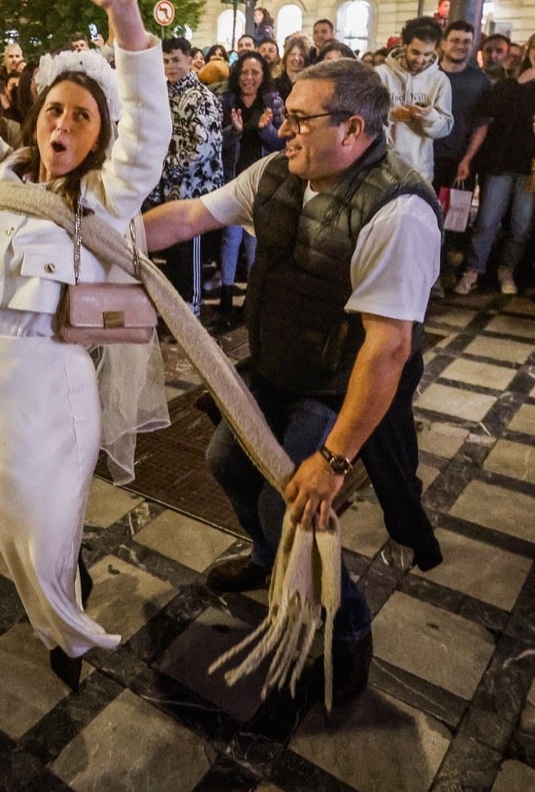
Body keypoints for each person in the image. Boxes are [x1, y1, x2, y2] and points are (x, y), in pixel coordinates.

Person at [144, 55, 443, 705]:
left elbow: (388, 350)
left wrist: (334, 460)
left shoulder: (398, 213)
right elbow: (192, 216)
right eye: (287, 113)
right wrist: (108, 239)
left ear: (356, 129)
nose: (284, 129)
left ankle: (348, 627)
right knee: (226, 460)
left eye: (302, 118)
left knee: (296, 505)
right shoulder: (278, 173)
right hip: (277, 365)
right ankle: (262, 557)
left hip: (339, 387)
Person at [0, 0, 169, 689]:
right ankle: (59, 598)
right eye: (54, 109)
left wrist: (128, 21)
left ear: (97, 136)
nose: (62, 122)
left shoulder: (105, 197)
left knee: (51, 521)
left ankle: (69, 633)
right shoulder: (3, 173)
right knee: (7, 520)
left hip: (52, 388)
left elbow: (150, 132)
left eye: (81, 116)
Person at [456, 30, 535, 296]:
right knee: (487, 220)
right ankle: (474, 270)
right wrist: (469, 158)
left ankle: (507, 269)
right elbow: (485, 119)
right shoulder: (509, 84)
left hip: (534, 167)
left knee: (522, 224)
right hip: (502, 162)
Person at [145, 36, 222, 314]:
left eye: (176, 60)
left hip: (194, 189)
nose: (170, 66)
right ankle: (173, 312)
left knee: (190, 254)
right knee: (173, 255)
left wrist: (164, 166)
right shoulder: (161, 94)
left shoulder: (202, 98)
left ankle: (192, 313)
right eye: (165, 61)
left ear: (190, 60)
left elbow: (203, 147)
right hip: (166, 190)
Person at [218, 51, 284, 313]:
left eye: (255, 72)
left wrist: (265, 129)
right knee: (230, 237)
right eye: (244, 72)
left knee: (254, 239)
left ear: (263, 75)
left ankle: (252, 298)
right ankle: (225, 295)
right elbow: (216, 141)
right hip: (233, 177)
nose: (249, 77)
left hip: (262, 179)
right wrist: (234, 131)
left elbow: (281, 142)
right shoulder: (226, 100)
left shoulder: (273, 102)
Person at [376, 17, 453, 186]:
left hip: (419, 168)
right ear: (404, 45)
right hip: (381, 166)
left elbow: (446, 127)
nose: (420, 60)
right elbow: (366, 117)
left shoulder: (440, 80)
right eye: (415, 52)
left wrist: (429, 116)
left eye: (427, 54)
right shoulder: (381, 74)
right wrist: (394, 114)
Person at [431, 21, 490, 194]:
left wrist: (467, 159)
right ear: (444, 43)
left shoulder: (480, 81)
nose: (460, 46)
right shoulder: (428, 75)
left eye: (466, 42)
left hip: (459, 161)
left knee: (455, 218)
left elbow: (481, 125)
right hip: (426, 157)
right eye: (455, 40)